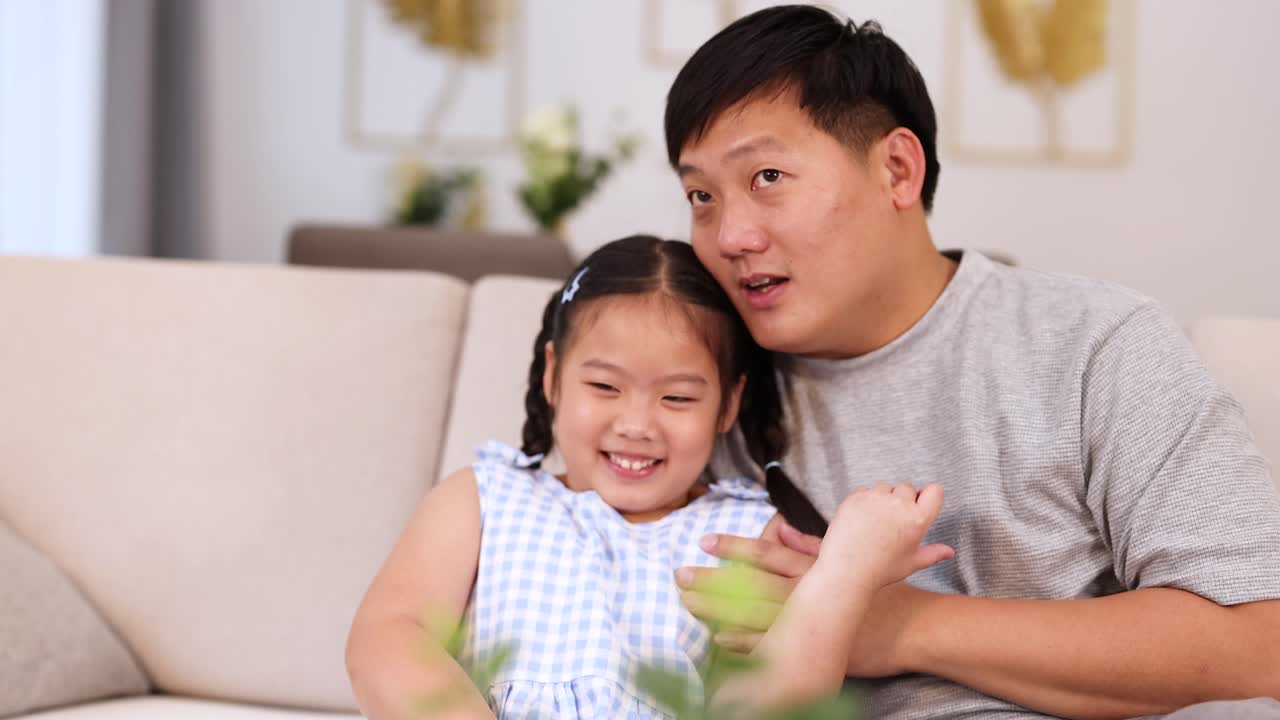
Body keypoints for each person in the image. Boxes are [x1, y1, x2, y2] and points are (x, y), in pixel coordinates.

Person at [664, 5, 1280, 719]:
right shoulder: (698, 385)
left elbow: (1259, 639)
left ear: (897, 169)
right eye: (700, 196)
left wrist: (892, 625)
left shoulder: (1093, 343)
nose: (730, 235)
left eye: (767, 176)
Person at [344, 235, 955, 719]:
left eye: (678, 398)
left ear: (728, 404)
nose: (637, 424)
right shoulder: (484, 496)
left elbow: (765, 705)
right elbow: (391, 636)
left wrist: (842, 574)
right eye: (605, 386)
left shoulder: (741, 532)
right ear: (553, 376)